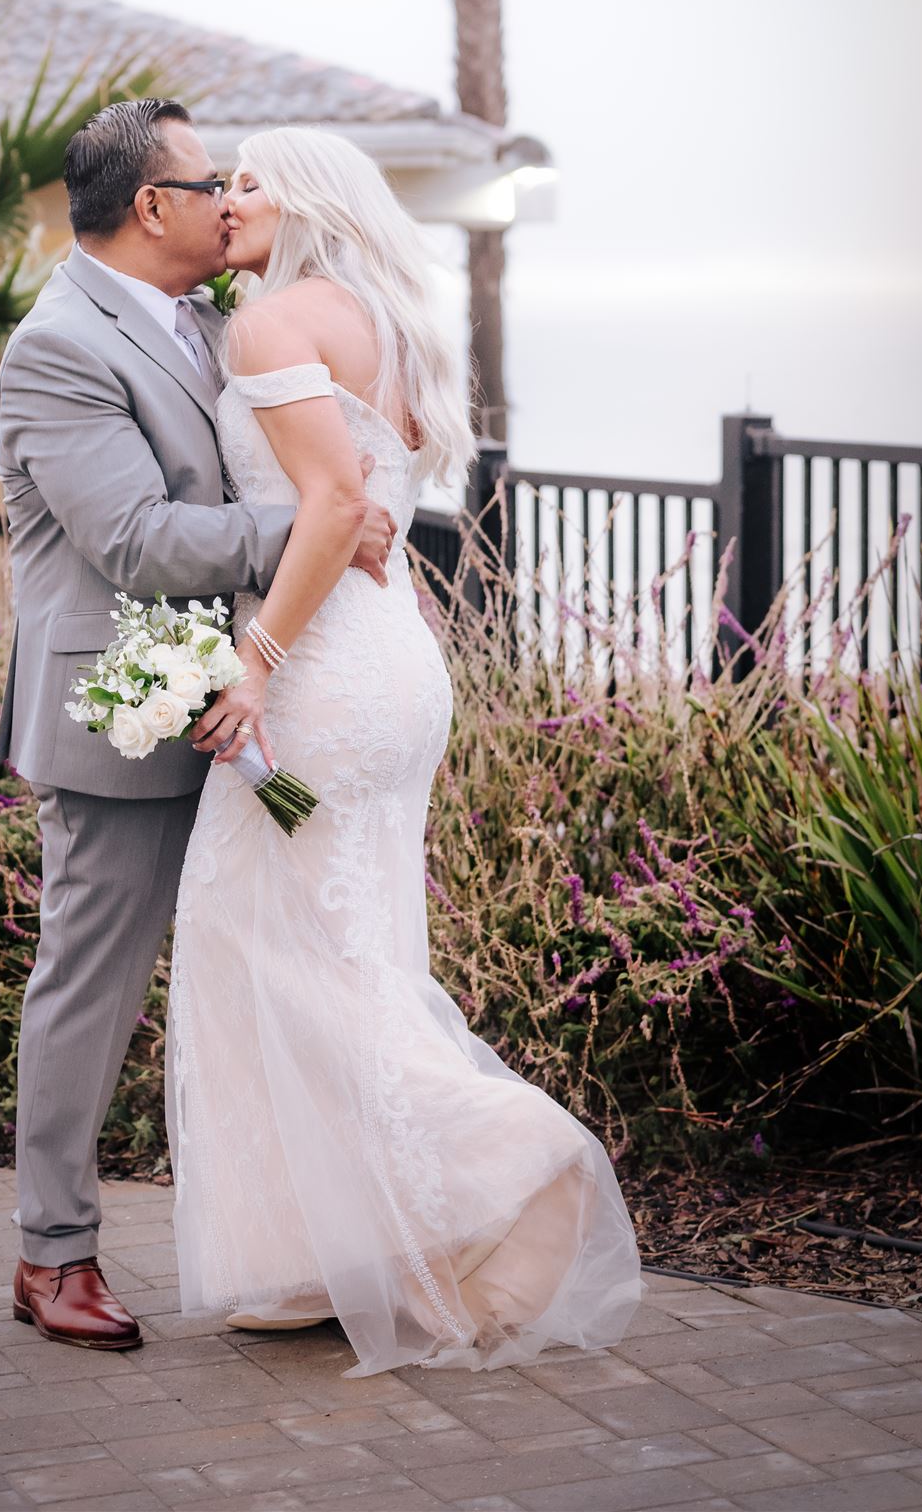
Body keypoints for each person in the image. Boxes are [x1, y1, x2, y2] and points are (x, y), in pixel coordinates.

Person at [168, 126, 642, 1376]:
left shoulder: (273, 324)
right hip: (389, 660)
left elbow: (327, 506)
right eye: (218, 181)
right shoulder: (376, 319)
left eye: (250, 181)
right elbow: (354, 498)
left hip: (319, 669)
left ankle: (517, 1156)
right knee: (348, 939)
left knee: (263, 939)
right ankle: (327, 1251)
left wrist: (251, 666)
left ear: (309, 199)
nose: (227, 200)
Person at [0, 99, 397, 1350]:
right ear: (150, 206)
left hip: (250, 695)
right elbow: (133, 540)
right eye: (206, 178)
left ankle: (324, 1238)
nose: (229, 197)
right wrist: (319, 519)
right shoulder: (58, 346)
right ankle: (51, 1257)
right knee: (92, 986)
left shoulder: (216, 319)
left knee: (284, 967)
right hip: (124, 710)